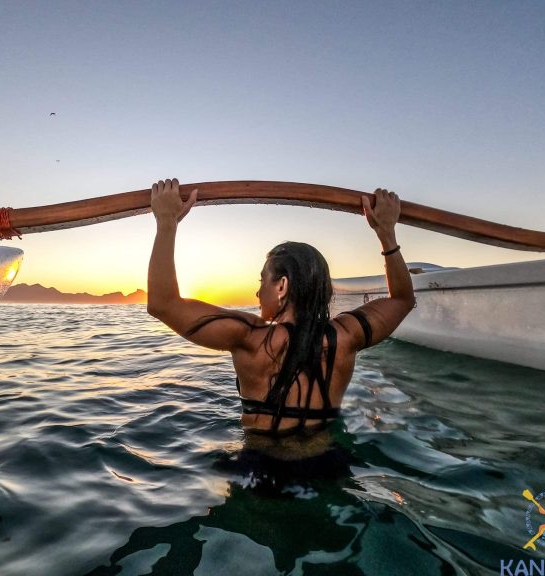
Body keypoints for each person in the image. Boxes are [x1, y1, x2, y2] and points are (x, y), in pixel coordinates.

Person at [147, 178, 415, 444]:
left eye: (262, 281)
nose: (257, 292)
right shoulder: (346, 336)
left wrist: (167, 222)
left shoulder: (250, 338)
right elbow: (402, 300)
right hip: (328, 467)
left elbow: (163, 304)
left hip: (261, 470)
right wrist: (386, 233)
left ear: (282, 286)